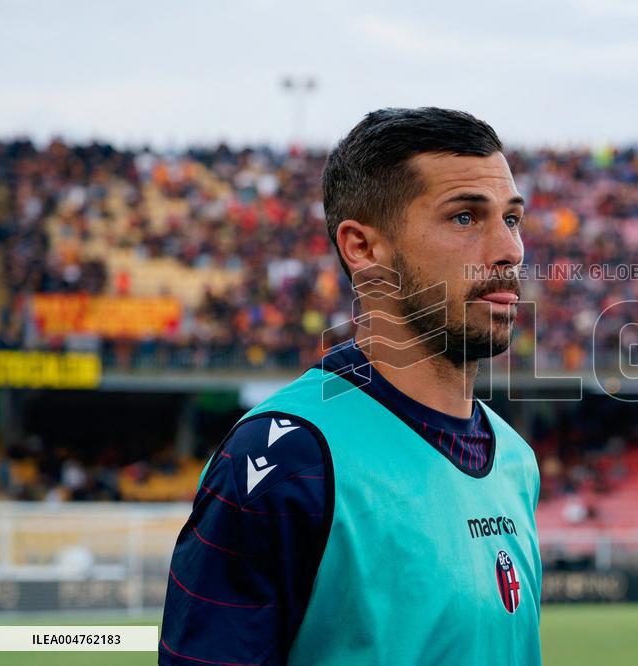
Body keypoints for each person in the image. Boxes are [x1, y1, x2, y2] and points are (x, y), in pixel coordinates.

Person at [160, 108, 542, 665]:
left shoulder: (516, 460)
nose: (510, 249)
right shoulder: (284, 457)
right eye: (465, 218)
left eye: (512, 219)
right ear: (362, 248)